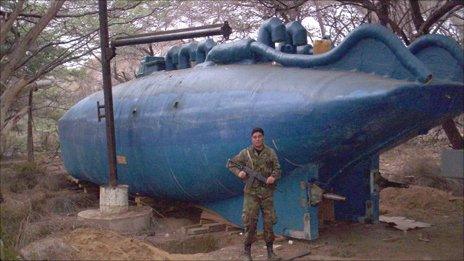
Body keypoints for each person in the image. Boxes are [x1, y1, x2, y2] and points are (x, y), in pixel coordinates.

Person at [228, 127, 281, 261]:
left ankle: (270, 252)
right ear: (252, 139)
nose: (257, 139)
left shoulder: (270, 152)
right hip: (251, 194)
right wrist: (239, 173)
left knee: (269, 222)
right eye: (254, 137)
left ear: (263, 137)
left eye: (259, 136)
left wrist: (273, 177)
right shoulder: (245, 153)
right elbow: (230, 164)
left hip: (267, 193)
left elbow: (277, 169)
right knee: (250, 223)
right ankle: (247, 253)